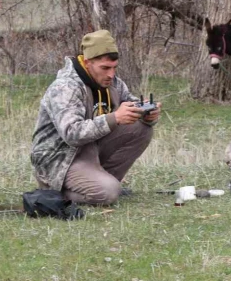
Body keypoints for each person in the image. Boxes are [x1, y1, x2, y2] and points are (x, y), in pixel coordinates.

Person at [30, 30, 161, 205]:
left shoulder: (112, 83)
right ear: (87, 62)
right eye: (105, 68)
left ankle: (100, 181)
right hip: (59, 159)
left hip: (89, 151)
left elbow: (131, 106)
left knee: (141, 128)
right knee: (108, 193)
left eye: (114, 67)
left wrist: (147, 114)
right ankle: (56, 193)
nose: (111, 74)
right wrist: (115, 117)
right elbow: (71, 134)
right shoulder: (66, 87)